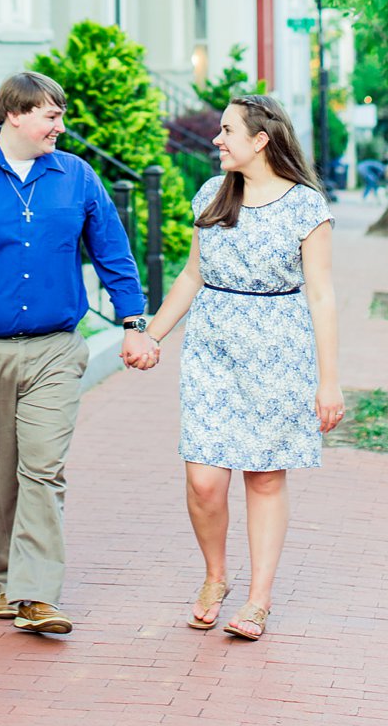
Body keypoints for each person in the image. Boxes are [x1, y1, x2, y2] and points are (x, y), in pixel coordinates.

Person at [0, 71, 159, 636]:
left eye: (60, 115)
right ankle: (7, 584)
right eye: (51, 116)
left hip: (54, 350)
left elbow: (114, 254)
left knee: (43, 469)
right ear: (15, 114)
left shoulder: (76, 178)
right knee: (1, 475)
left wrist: (134, 325)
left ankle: (35, 595)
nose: (60, 126)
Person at [144, 93, 344, 640]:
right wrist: (152, 334)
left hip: (279, 350)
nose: (217, 139)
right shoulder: (213, 193)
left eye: (228, 130)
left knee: (262, 476)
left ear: (261, 140)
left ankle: (258, 599)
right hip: (212, 348)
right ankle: (215, 576)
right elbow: (191, 275)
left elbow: (322, 297)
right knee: (204, 479)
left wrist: (329, 381)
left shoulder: (307, 207)